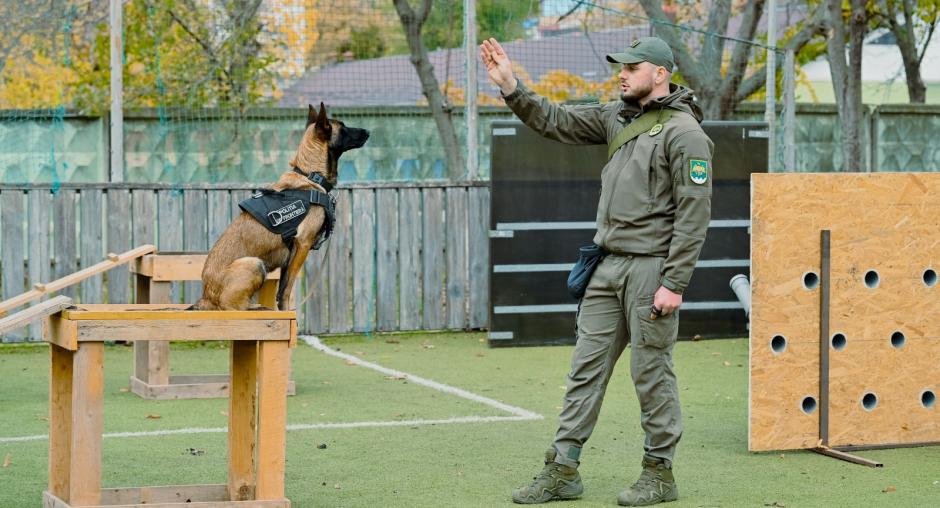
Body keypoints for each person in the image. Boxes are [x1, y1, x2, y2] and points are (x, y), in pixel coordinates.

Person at [479, 36, 713, 506]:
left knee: (652, 374)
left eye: (632, 66)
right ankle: (562, 470)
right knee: (585, 370)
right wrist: (511, 87)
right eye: (620, 67)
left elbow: (694, 214)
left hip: (652, 271)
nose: (622, 74)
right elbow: (556, 121)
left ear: (661, 73)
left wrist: (674, 282)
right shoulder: (616, 117)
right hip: (606, 268)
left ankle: (659, 474)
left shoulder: (686, 134)